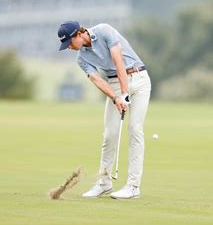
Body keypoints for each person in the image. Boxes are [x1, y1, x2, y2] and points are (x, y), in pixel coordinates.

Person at [57, 21, 151, 199]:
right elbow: (98, 80)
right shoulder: (81, 58)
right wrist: (116, 98)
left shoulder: (104, 31)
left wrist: (124, 94)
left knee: (135, 130)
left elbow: (119, 61)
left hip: (139, 79)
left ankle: (133, 186)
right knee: (109, 134)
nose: (69, 47)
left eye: (69, 42)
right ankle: (104, 182)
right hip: (114, 84)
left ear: (78, 34)